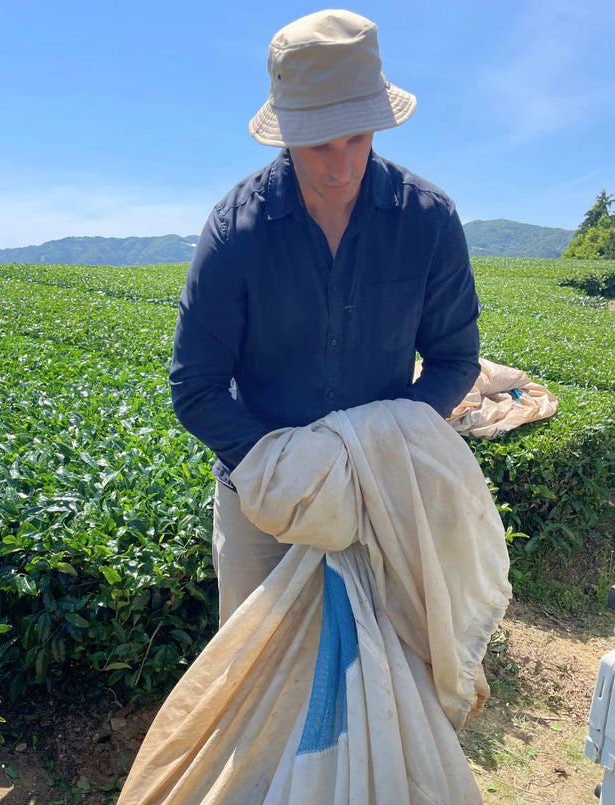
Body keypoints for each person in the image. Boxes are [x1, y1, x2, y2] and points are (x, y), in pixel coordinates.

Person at [169, 8, 481, 625]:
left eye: (357, 138)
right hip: (259, 498)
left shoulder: (427, 220)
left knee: (375, 671)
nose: (340, 167)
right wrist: (285, 466)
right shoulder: (237, 230)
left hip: (378, 491)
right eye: (318, 145)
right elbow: (195, 384)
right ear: (285, 134)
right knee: (257, 679)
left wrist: (381, 445)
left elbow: (454, 358)